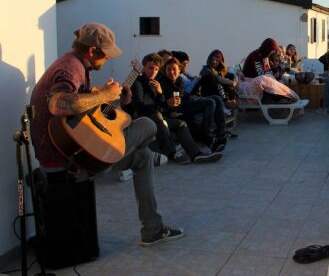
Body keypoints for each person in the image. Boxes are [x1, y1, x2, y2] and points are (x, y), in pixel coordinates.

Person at [29, 23, 184, 246]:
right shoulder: (71, 67)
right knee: (147, 125)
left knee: (143, 156)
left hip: (76, 149)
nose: (109, 59)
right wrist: (103, 95)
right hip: (70, 157)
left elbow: (83, 113)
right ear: (92, 51)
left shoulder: (77, 65)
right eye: (106, 55)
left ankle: (152, 229)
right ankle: (153, 222)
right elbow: (58, 104)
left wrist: (113, 98)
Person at [131, 53, 222, 164]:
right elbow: (139, 107)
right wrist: (161, 106)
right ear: (143, 67)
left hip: (158, 119)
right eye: (150, 68)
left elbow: (163, 105)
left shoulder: (155, 84)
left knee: (181, 123)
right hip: (144, 120)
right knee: (158, 116)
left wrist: (162, 96)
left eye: (156, 69)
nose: (153, 72)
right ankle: (172, 153)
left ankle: (196, 155)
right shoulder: (137, 83)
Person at [160, 58, 232, 152]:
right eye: (168, 69)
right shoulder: (162, 83)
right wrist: (172, 111)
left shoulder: (179, 80)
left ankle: (221, 132)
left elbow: (181, 96)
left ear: (179, 70)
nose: (171, 72)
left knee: (217, 99)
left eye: (174, 69)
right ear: (165, 70)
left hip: (184, 104)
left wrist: (191, 96)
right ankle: (209, 135)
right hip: (176, 110)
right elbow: (163, 101)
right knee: (210, 102)